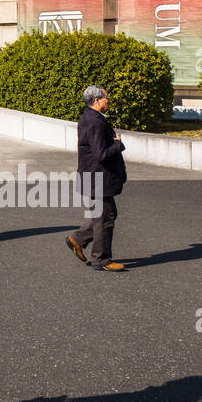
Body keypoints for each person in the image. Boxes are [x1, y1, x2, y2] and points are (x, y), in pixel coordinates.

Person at [66, 86, 127, 272]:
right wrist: (118, 144)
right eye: (106, 97)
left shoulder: (91, 118)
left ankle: (78, 239)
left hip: (94, 177)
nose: (109, 100)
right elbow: (101, 154)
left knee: (106, 215)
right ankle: (101, 259)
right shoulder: (95, 122)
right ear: (97, 100)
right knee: (105, 219)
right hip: (97, 178)